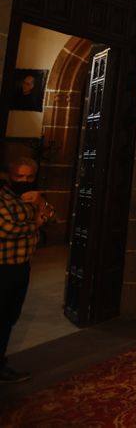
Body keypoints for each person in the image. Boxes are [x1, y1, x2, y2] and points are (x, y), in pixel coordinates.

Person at [0, 158, 53, 383]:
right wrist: (36, 224)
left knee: (10, 316)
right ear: (10, 176)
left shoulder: (32, 197)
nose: (24, 180)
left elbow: (51, 214)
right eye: (20, 176)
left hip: (22, 265)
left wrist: (40, 202)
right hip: (3, 267)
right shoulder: (3, 199)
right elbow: (7, 229)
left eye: (29, 177)